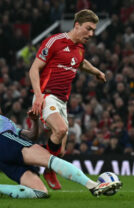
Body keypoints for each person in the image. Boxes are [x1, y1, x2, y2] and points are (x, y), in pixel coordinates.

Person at [0, 76, 121, 199]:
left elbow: (32, 136)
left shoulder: (8, 124)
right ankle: (93, 186)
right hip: (6, 143)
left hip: (3, 157)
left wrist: (35, 120)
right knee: (50, 160)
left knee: (39, 192)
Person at [29, 9, 106, 189]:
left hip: (62, 101)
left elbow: (80, 62)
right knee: (61, 129)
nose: (91, 34)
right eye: (88, 29)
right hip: (46, 95)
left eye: (93, 30)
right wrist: (39, 96)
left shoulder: (79, 48)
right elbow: (34, 69)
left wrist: (97, 72)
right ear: (77, 25)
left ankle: (31, 156)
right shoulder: (54, 41)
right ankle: (48, 170)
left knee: (61, 151)